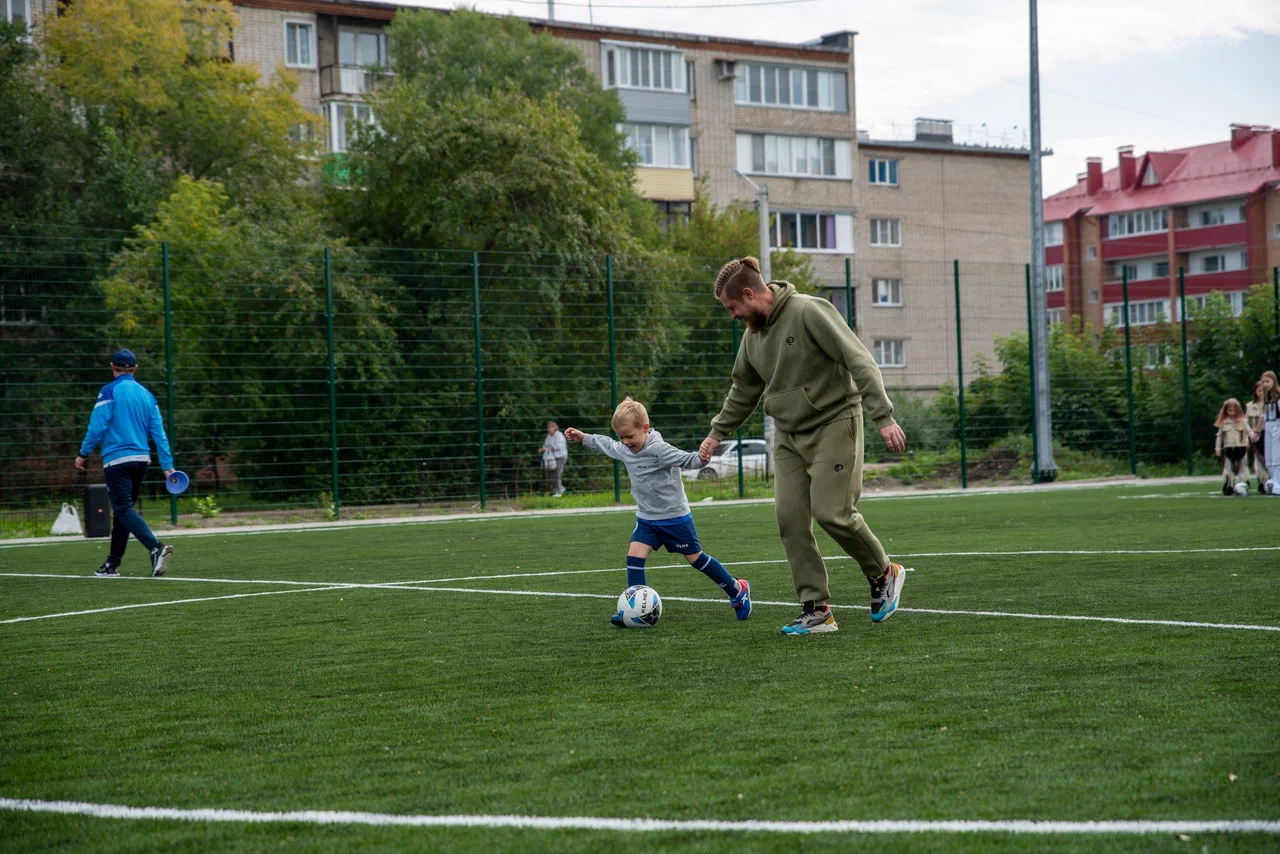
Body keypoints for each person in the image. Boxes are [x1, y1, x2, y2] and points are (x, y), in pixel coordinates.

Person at [699, 257, 907, 636]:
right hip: (789, 436)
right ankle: (816, 610)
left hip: (834, 422)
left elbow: (857, 359)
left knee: (833, 513)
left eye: (733, 308)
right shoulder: (752, 338)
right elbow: (743, 390)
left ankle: (883, 573)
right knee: (790, 520)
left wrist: (884, 416)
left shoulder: (809, 311)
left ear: (749, 294)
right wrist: (716, 433)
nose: (733, 316)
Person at [566, 398, 752, 627]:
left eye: (629, 437)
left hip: (674, 517)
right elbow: (605, 444)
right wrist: (583, 437)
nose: (624, 442)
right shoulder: (625, 448)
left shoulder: (659, 450)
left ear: (645, 428)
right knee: (634, 557)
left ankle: (737, 589)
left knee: (696, 559)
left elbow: (687, 459)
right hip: (646, 518)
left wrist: (702, 458)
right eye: (621, 437)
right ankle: (636, 611)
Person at [75, 349, 176, 578]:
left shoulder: (109, 391)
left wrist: (83, 453)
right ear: (135, 368)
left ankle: (155, 547)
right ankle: (111, 564)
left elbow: (97, 427)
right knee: (123, 512)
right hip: (141, 461)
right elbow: (159, 433)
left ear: (112, 367)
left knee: (122, 509)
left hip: (117, 461)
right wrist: (167, 465)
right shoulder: (147, 395)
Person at [1213, 398, 1250, 495]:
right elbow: (1219, 436)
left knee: (1243, 467)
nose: (1232, 412)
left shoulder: (1243, 421)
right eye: (1229, 410)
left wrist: (1247, 442)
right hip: (1228, 448)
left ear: (1238, 410)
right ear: (1225, 411)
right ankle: (1229, 485)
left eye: (1234, 410)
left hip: (1241, 447)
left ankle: (1243, 484)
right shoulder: (1224, 423)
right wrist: (1218, 448)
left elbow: (1247, 432)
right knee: (1228, 468)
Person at [1245, 380, 1269, 492]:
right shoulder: (1250, 406)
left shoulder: (1273, 404)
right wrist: (1250, 435)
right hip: (1256, 435)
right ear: (1255, 392)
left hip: (1270, 434)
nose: (1261, 393)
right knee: (1258, 460)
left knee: (1271, 460)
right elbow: (1246, 423)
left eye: (1263, 390)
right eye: (1259, 390)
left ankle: (1272, 481)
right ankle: (1262, 482)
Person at [1261, 370, 1280, 495]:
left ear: (1273, 381)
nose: (1265, 384)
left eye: (1267, 381)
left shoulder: (1278, 395)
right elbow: (1263, 416)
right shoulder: (1266, 396)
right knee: (1269, 458)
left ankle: (1278, 486)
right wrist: (1256, 430)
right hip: (1268, 426)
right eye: (1263, 382)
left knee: (1277, 457)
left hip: (1277, 425)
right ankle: (1274, 482)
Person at [539, 421, 568, 497]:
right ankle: (560, 488)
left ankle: (559, 492)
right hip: (552, 458)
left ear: (554, 427)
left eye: (550, 427)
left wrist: (548, 448)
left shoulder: (559, 435)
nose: (548, 429)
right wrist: (542, 449)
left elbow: (559, 446)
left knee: (557, 474)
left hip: (560, 457)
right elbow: (545, 445)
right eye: (548, 428)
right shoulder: (549, 436)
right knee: (550, 474)